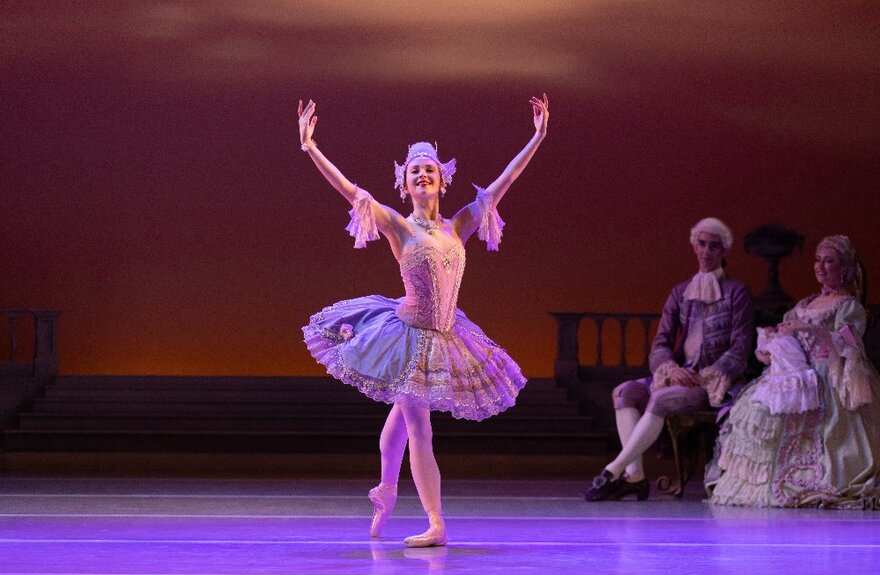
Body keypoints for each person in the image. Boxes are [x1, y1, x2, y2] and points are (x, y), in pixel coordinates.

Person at [297, 95, 549, 546]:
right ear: (405, 185)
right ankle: (436, 522)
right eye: (414, 171)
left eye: (429, 168)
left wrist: (538, 136)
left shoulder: (459, 225)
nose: (422, 174)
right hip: (407, 335)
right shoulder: (399, 226)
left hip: (446, 335)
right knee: (419, 425)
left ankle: (386, 492)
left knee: (400, 420)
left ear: (441, 180)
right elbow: (351, 192)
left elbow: (504, 181)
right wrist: (311, 148)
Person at [584, 218, 754, 501]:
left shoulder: (737, 293)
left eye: (714, 246)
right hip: (678, 375)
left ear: (724, 251)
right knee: (624, 392)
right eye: (702, 244)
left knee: (661, 400)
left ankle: (613, 470)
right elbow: (661, 342)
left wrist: (707, 375)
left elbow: (739, 349)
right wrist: (671, 369)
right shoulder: (680, 292)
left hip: (711, 383)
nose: (707, 251)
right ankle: (635, 477)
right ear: (694, 247)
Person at [706, 235, 880, 508]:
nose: (821, 267)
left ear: (844, 268)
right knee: (756, 410)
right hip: (795, 375)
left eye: (829, 261)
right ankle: (754, 483)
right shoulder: (804, 304)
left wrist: (811, 330)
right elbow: (787, 336)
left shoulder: (848, 306)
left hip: (828, 375)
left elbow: (849, 344)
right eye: (817, 260)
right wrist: (770, 346)